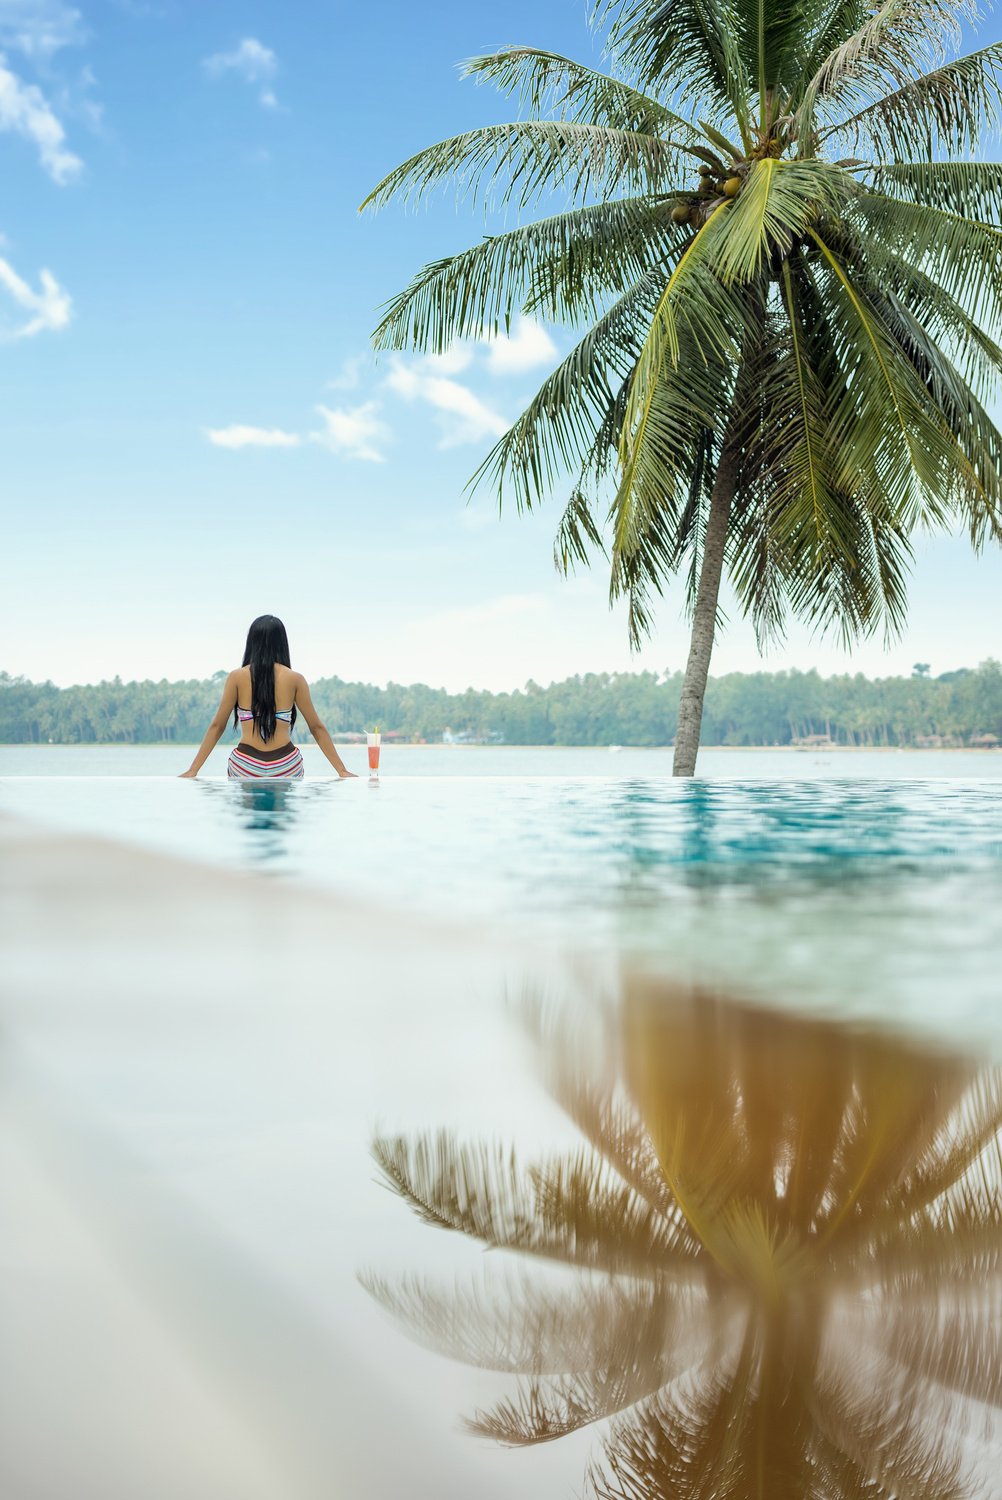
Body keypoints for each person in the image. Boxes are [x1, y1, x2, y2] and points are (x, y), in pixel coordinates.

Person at [179, 615, 356, 780]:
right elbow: (316, 728)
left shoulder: (237, 677)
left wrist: (193, 770)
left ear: (252, 643)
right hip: (286, 765)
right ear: (282, 643)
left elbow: (217, 726)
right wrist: (341, 770)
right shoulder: (295, 679)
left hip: (245, 765)